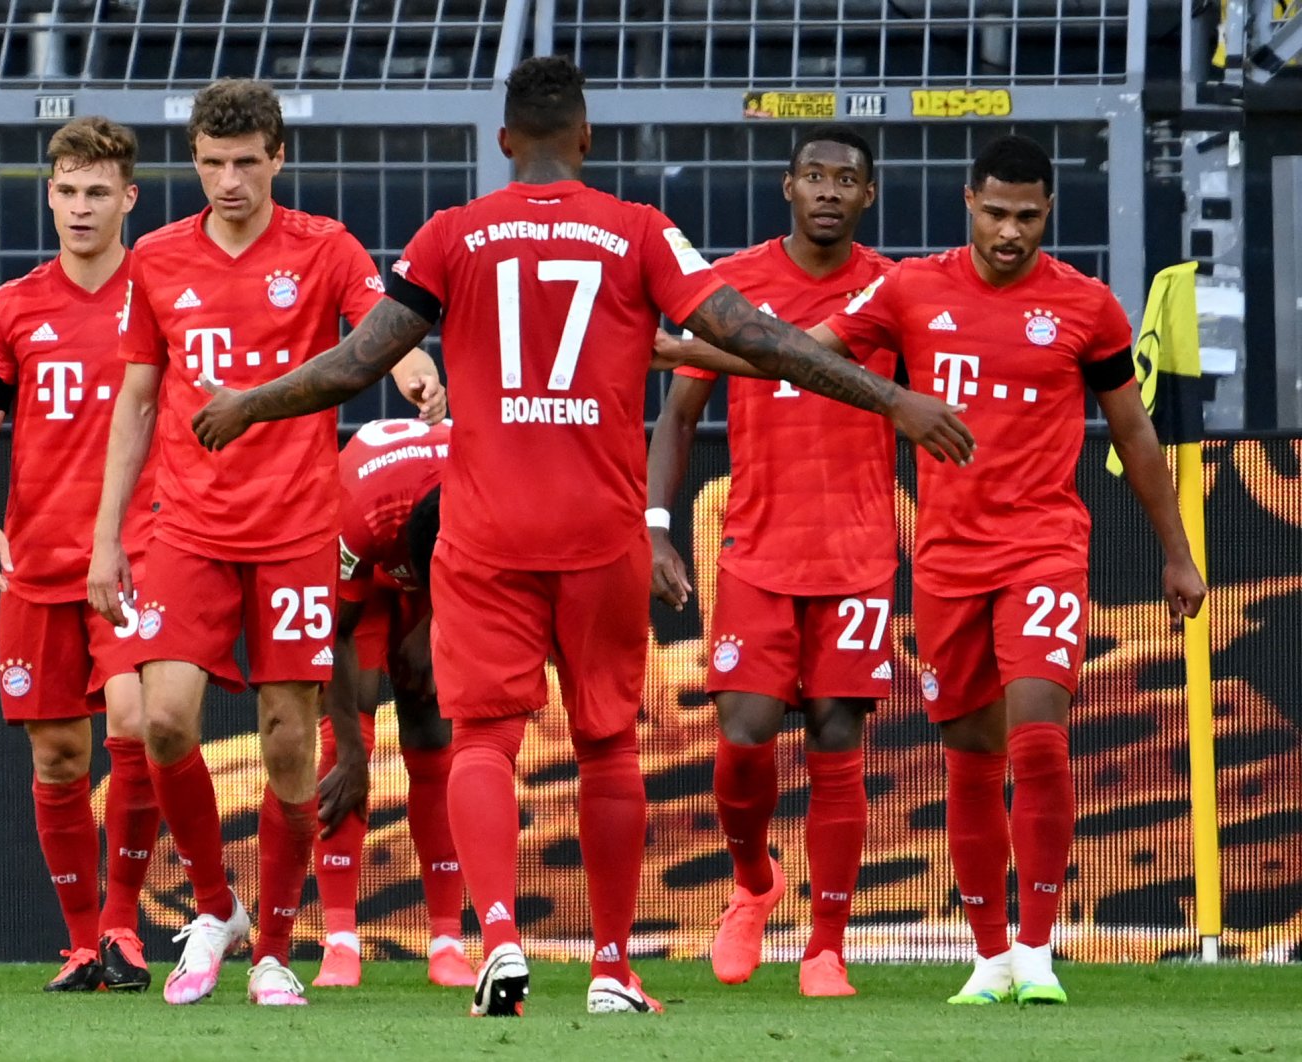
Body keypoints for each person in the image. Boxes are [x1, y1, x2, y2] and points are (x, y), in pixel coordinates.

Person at [184, 56, 973, 1018]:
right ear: (588, 139)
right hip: (602, 534)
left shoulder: (451, 235)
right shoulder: (638, 231)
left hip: (484, 532)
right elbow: (756, 339)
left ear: (505, 140)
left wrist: (249, 403)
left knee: (480, 739)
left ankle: (502, 941)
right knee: (605, 749)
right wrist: (891, 396)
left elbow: (357, 363)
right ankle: (609, 968)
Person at [742, 134, 1204, 1005]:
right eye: (996, 212)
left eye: (1027, 217)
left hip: (1044, 547)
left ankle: (1037, 946)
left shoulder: (1087, 307)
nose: (1010, 232)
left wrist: (1176, 553)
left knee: (1037, 734)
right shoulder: (915, 288)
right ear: (968, 203)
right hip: (948, 562)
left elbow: (1135, 433)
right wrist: (669, 350)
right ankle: (989, 956)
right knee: (970, 757)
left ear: (1049, 216)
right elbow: (801, 351)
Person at [85, 79, 446, 1007]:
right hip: (187, 528)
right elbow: (134, 403)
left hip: (294, 530)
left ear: (278, 159)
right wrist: (105, 540)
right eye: (212, 163)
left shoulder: (325, 248)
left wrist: (413, 365)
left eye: (247, 162)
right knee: (162, 720)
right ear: (195, 161)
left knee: (292, 742)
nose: (230, 181)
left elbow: (385, 328)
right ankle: (217, 907)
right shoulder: (159, 258)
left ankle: (276, 947)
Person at [646, 125, 895, 997]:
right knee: (744, 739)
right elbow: (679, 413)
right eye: (815, 176)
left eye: (847, 180)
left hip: (859, 556)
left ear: (869, 197)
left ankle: (826, 946)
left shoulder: (892, 291)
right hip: (755, 551)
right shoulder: (736, 283)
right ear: (787, 187)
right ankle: (754, 883)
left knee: (837, 739)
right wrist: (655, 524)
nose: (829, 191)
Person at [0, 116, 161, 993]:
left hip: (137, 551)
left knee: (138, 726)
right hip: (36, 560)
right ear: (50, 193)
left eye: (97, 191)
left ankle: (125, 925)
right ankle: (83, 943)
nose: (80, 208)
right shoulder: (13, 305)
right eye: (67, 190)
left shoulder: (158, 294)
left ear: (129, 198)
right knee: (59, 759)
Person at [311, 417, 472, 990]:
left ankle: (448, 942)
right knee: (342, 740)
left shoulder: (485, 485)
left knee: (434, 733)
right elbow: (332, 632)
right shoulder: (358, 509)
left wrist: (433, 622)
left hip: (444, 578)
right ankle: (340, 941)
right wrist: (354, 757)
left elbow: (485, 578)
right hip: (366, 579)